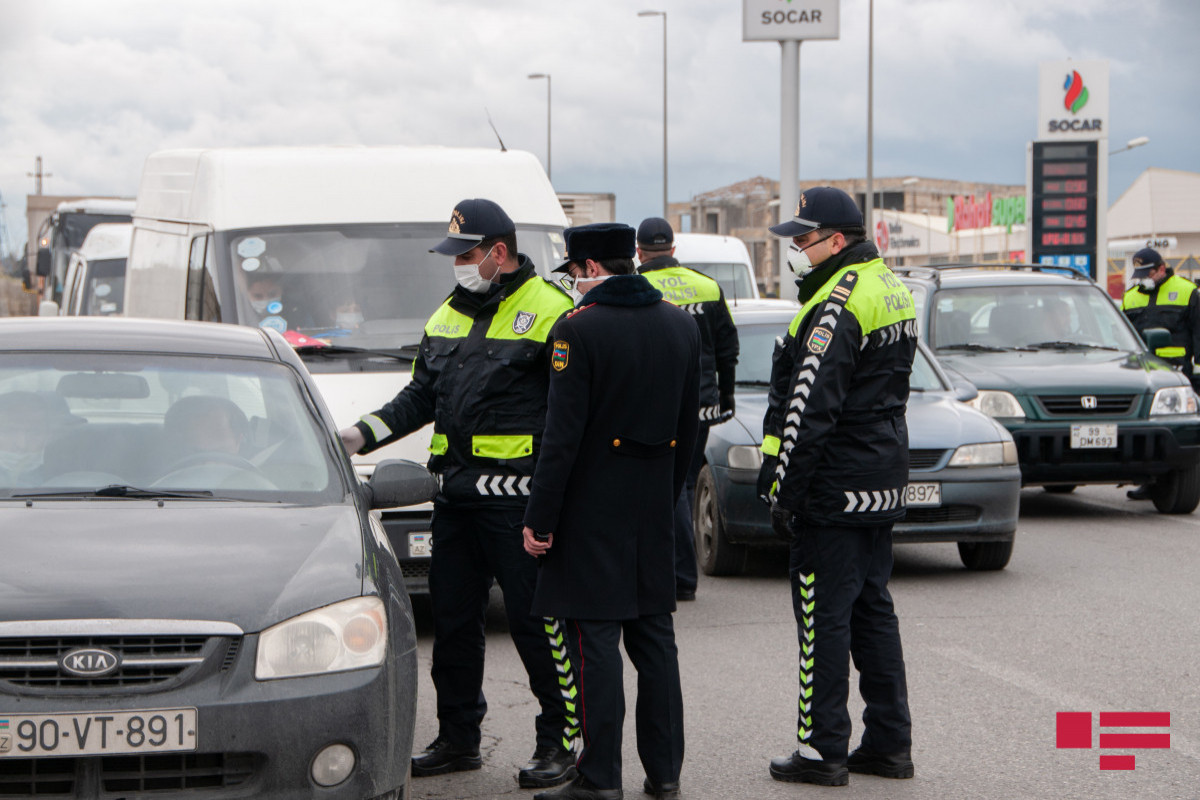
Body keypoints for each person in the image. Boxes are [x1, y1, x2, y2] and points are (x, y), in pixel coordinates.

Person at [337, 198, 578, 788]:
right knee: (453, 624)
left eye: (467, 255)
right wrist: (357, 435)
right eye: (453, 256)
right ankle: (458, 737)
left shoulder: (553, 310)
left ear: (499, 252)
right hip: (457, 500)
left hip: (519, 504)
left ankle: (560, 742)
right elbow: (419, 397)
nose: (458, 266)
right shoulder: (448, 312)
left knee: (535, 625)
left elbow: (573, 418)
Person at [522, 223, 700, 800]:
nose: (572, 283)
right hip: (652, 509)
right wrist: (666, 491)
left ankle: (600, 778)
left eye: (574, 272)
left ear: (592, 268)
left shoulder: (577, 331)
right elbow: (689, 429)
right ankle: (666, 773)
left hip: (589, 516)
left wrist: (540, 520)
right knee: (655, 642)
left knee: (593, 646)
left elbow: (560, 439)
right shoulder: (679, 323)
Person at [758, 187, 916, 787]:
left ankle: (822, 748)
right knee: (873, 612)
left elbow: (807, 410)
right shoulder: (890, 286)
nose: (796, 251)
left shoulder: (837, 301)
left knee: (823, 620)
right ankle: (888, 743)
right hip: (880, 481)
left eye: (803, 240)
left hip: (835, 486)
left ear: (837, 239)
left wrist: (785, 493)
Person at [635, 216, 739, 602]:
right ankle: (680, 572)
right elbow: (728, 349)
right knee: (687, 484)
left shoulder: (637, 287)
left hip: (654, 408)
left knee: (669, 488)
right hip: (702, 406)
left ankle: (678, 575)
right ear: (673, 250)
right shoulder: (707, 286)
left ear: (639, 252)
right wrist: (725, 397)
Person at [1120, 247, 1200, 500]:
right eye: (1140, 273)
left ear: (1162, 269)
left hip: (1180, 374)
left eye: (1148, 273)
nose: (1144, 278)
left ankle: (1183, 484)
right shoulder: (1131, 297)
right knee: (1149, 435)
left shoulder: (1187, 292)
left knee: (1180, 436)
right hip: (1143, 377)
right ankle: (1150, 483)